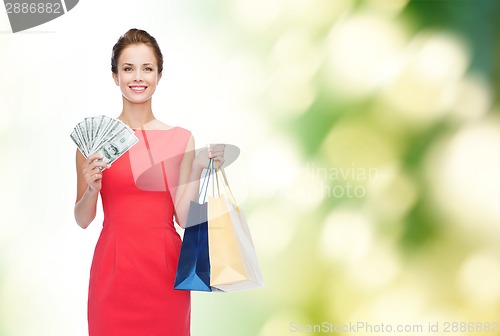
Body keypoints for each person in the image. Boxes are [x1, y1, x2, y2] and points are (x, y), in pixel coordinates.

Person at [74, 28, 224, 336]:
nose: (138, 77)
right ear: (115, 76)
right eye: (128, 68)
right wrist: (92, 188)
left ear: (159, 74)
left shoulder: (181, 139)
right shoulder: (94, 142)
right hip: (113, 272)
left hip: (165, 272)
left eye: (147, 68)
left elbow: (183, 217)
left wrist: (199, 167)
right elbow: (82, 218)